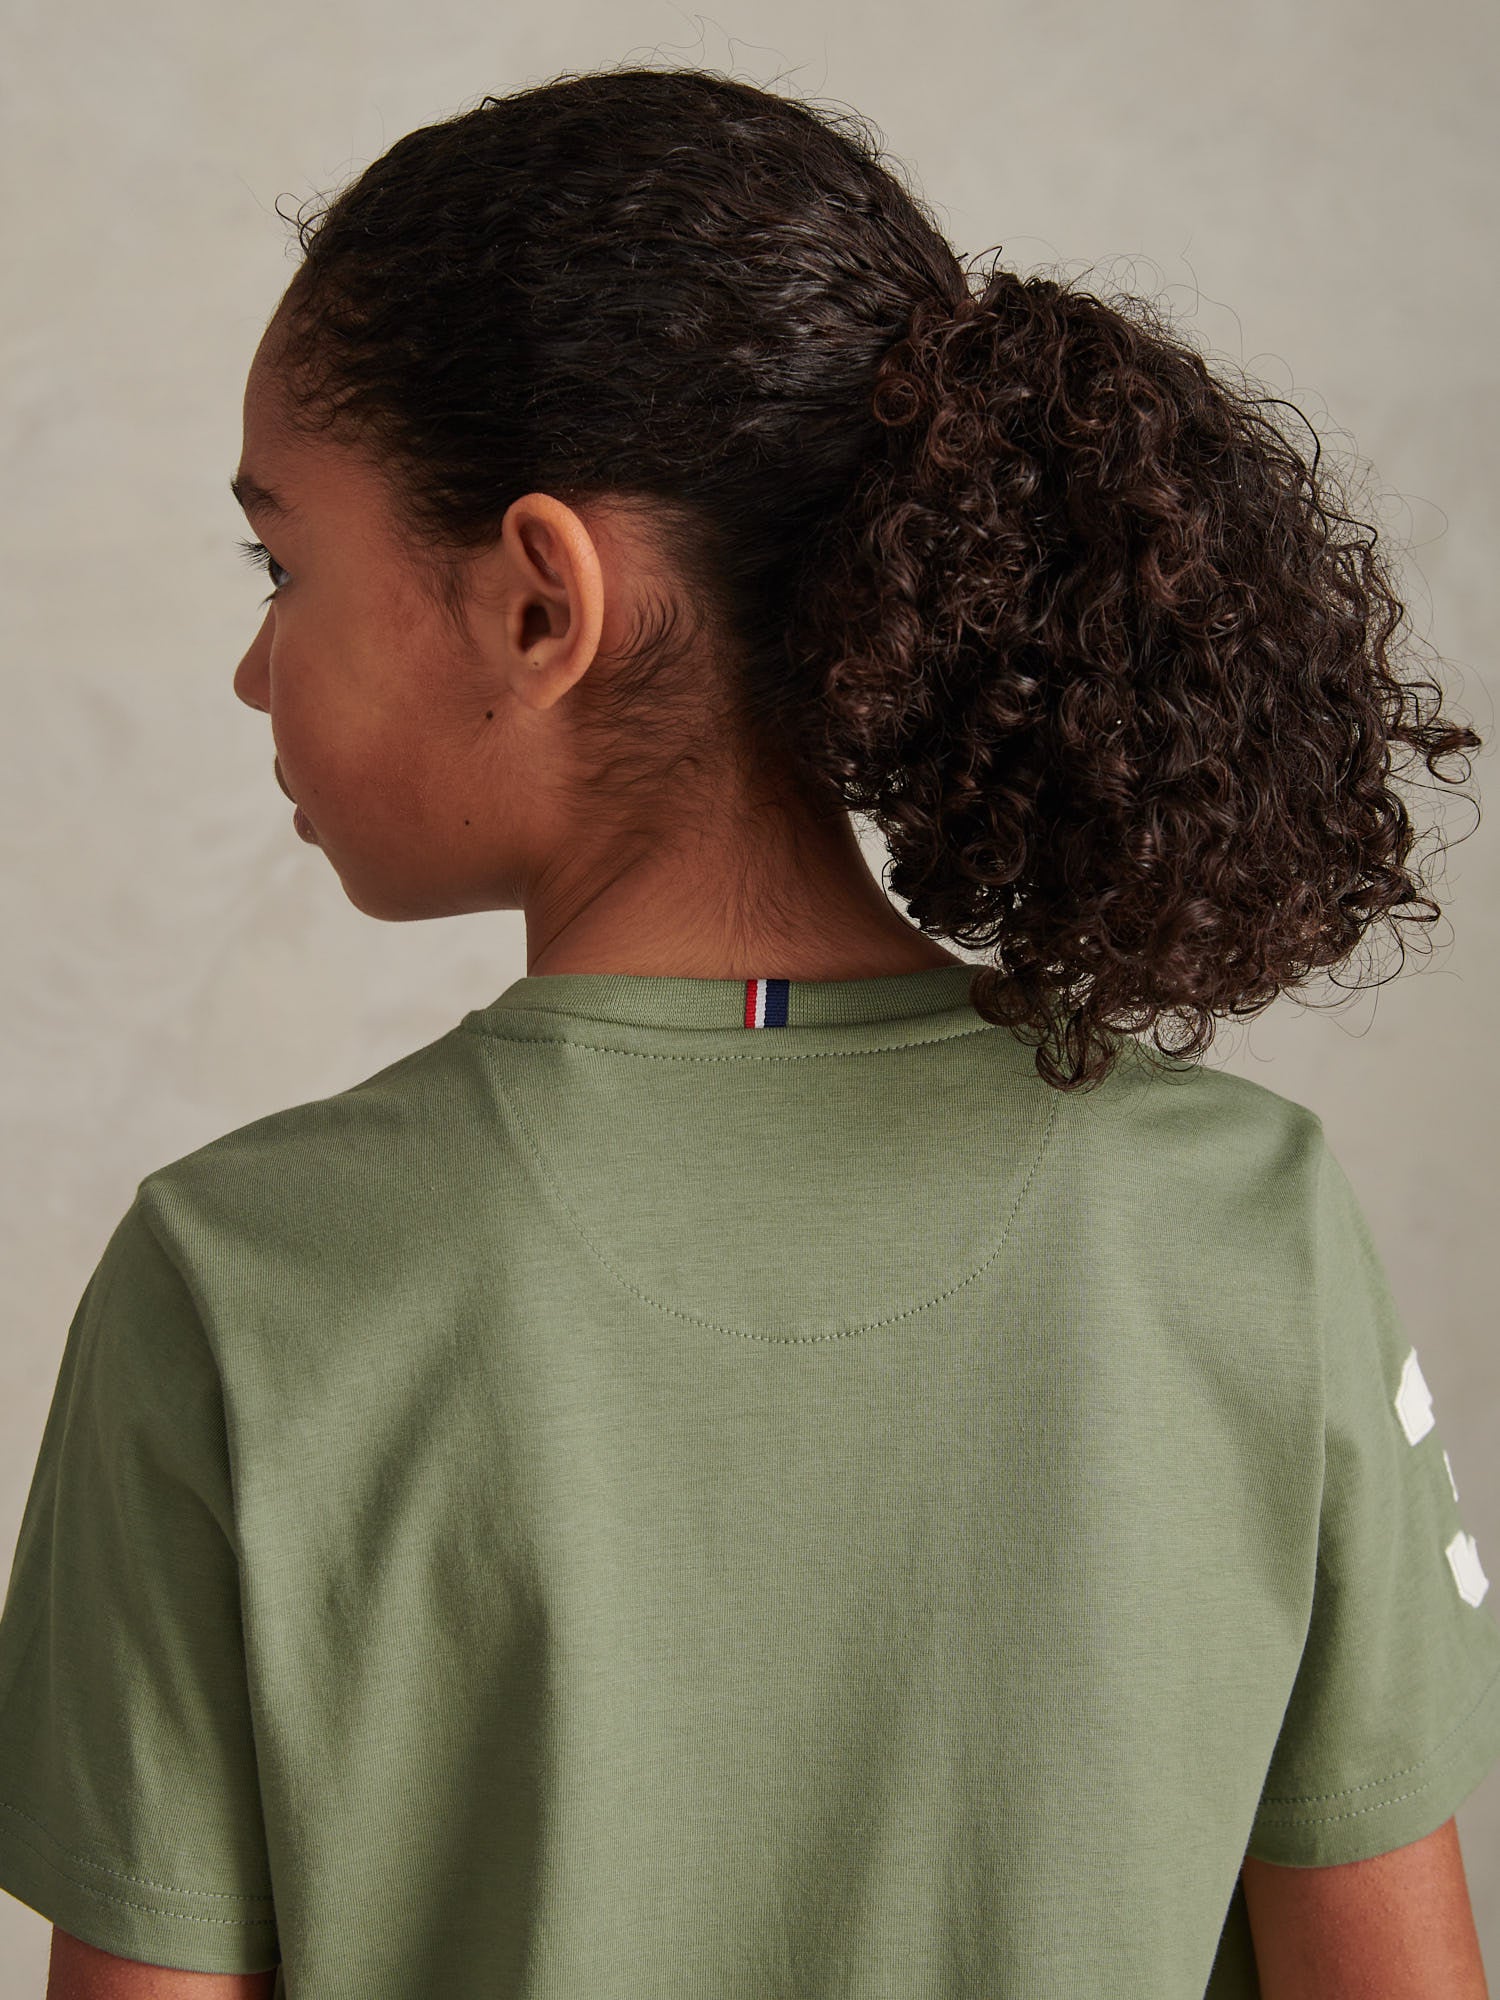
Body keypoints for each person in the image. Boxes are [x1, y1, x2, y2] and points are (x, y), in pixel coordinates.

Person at [1, 62, 1495, 2000]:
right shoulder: (1245, 1228)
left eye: (283, 564)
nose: (249, 663)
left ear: (540, 603)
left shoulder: (239, 1285)